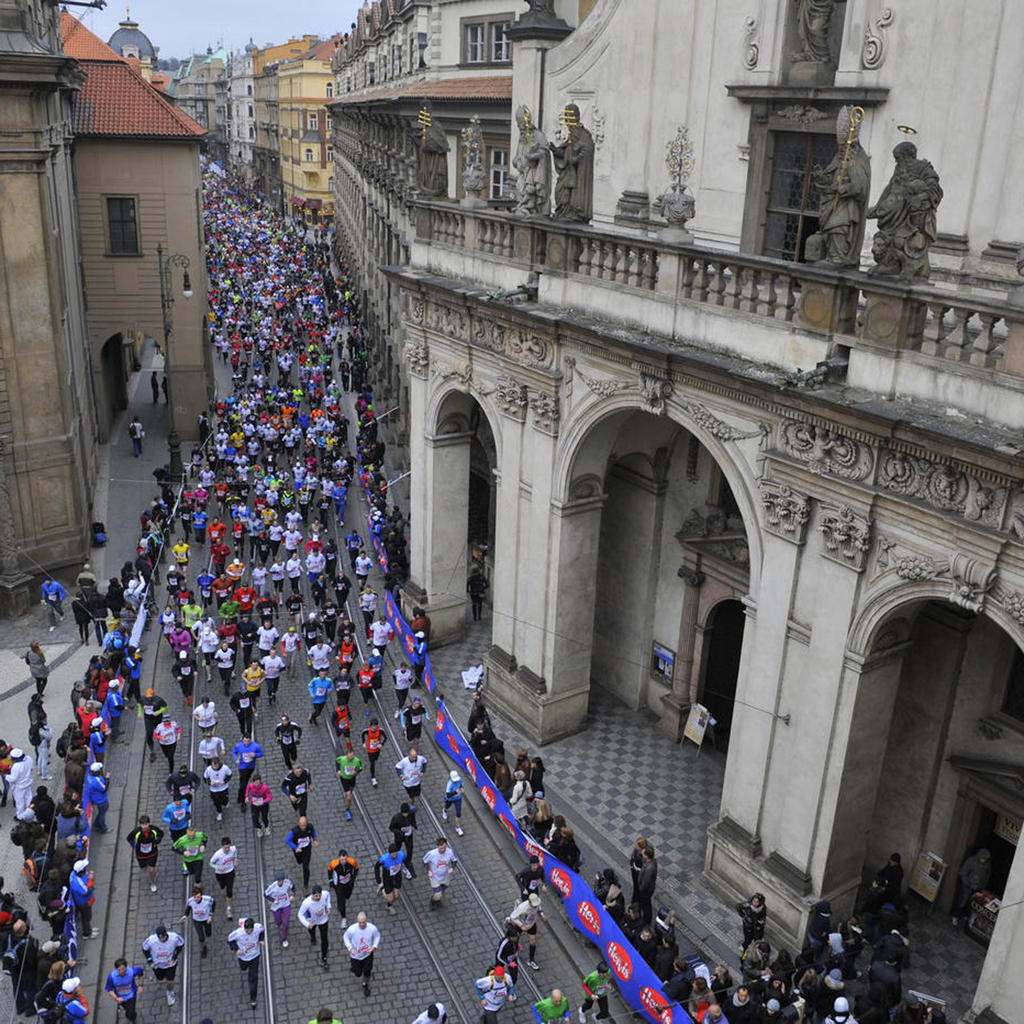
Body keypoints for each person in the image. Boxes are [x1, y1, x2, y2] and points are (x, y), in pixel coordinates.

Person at [142, 924, 185, 1006]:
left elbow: (181, 944)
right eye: (160, 938)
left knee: (170, 980)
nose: (162, 939)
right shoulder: (151, 940)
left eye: (163, 937)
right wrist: (150, 961)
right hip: (157, 965)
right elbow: (145, 949)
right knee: (160, 977)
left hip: (170, 965)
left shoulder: (174, 937)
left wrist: (174, 957)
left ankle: (170, 992)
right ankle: (163, 977)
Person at [227, 916, 266, 1009]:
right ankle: (244, 967)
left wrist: (261, 940)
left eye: (250, 930)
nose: (248, 931)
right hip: (243, 958)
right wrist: (236, 949)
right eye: (246, 930)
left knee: (253, 978)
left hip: (255, 956)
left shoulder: (258, 927)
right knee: (243, 968)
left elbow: (262, 931)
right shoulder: (238, 933)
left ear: (253, 927)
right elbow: (229, 940)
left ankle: (253, 999)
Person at [343, 911, 380, 996]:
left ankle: (365, 984)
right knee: (358, 973)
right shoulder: (352, 929)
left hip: (367, 955)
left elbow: (377, 936)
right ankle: (355, 970)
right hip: (356, 956)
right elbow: (345, 937)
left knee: (367, 970)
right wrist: (350, 948)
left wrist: (374, 947)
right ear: (357, 921)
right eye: (360, 922)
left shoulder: (372, 928)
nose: (362, 924)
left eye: (363, 922)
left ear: (366, 920)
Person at [952, 848, 991, 926]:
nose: (984, 860)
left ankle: (964, 916)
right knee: (962, 902)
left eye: (986, 859)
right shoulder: (971, 861)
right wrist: (967, 883)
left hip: (977, 889)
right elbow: (963, 872)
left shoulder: (987, 865)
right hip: (967, 886)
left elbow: (987, 876)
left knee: (971, 904)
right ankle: (956, 916)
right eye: (983, 858)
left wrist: (982, 886)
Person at [126, 815, 164, 893]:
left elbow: (161, 833)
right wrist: (134, 845)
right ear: (140, 825)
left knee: (151, 869)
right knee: (143, 867)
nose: (145, 826)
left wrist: (158, 840)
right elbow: (129, 838)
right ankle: (147, 868)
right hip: (141, 854)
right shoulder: (136, 831)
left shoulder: (154, 829)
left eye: (146, 824)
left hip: (152, 853)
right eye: (143, 824)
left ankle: (152, 882)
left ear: (149, 823)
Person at [509, 892, 547, 971]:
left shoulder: (537, 902)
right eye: (534, 905)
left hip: (531, 924)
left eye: (536, 905)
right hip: (521, 924)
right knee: (515, 939)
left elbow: (539, 909)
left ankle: (531, 960)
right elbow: (513, 916)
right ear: (529, 902)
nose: (535, 906)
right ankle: (512, 954)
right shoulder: (523, 907)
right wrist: (521, 926)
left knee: (533, 941)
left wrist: (542, 914)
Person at [298, 884, 332, 967]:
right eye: (316, 896)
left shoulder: (325, 894)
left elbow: (328, 895)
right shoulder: (306, 903)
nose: (318, 897)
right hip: (312, 921)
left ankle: (324, 957)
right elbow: (300, 914)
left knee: (324, 939)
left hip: (323, 920)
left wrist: (328, 907)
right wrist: (307, 924)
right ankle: (313, 937)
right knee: (312, 931)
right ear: (312, 895)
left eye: (319, 895)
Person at [180, 884, 215, 959]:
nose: (196, 899)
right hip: (197, 920)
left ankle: (207, 933)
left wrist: (210, 915)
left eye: (198, 897)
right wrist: (185, 915)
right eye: (195, 897)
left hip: (206, 919)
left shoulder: (208, 899)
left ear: (201, 895)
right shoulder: (190, 901)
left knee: (208, 933)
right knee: (201, 937)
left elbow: (213, 904)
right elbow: (188, 908)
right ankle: (203, 948)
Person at [328, 848, 360, 928]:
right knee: (342, 902)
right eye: (342, 859)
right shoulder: (334, 863)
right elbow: (329, 870)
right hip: (339, 885)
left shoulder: (352, 862)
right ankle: (343, 918)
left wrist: (353, 878)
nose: (344, 861)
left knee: (347, 896)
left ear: (347, 857)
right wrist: (330, 880)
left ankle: (342, 902)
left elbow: (357, 868)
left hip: (349, 884)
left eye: (345, 859)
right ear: (339, 858)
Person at [395, 746, 427, 822]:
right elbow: (397, 767)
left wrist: (423, 771)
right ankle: (412, 804)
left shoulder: (420, 758)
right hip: (408, 783)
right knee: (411, 795)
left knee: (417, 793)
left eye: (415, 757)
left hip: (417, 782)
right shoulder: (404, 761)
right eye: (413, 757)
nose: (414, 759)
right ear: (409, 755)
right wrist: (401, 776)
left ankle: (414, 799)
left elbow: (425, 762)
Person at [286, 815, 319, 889]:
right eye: (301, 825)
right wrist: (295, 848)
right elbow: (287, 840)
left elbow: (313, 833)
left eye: (304, 825)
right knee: (299, 861)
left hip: (307, 850)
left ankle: (306, 883)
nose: (303, 827)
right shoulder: (294, 831)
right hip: (298, 850)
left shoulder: (310, 827)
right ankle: (300, 860)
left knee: (306, 867)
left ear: (307, 823)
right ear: (298, 823)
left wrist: (315, 840)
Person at [423, 836, 458, 905]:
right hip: (435, 877)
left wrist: (453, 868)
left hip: (445, 877)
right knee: (438, 895)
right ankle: (433, 902)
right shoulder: (431, 854)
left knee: (442, 891)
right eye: (441, 848)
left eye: (444, 848)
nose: (443, 850)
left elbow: (455, 860)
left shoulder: (450, 852)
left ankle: (438, 899)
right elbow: (424, 862)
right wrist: (429, 871)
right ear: (438, 846)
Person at [265, 868, 295, 947]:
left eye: (282, 880)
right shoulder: (272, 887)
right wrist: (273, 900)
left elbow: (293, 887)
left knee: (285, 923)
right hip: (276, 907)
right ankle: (279, 923)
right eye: (279, 881)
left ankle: (284, 938)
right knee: (278, 922)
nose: (281, 882)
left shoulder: (287, 882)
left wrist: (292, 895)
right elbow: (265, 894)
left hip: (286, 905)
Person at [209, 836, 238, 919]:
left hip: (230, 872)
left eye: (228, 847)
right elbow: (210, 863)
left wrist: (235, 860)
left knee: (229, 891)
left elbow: (235, 853)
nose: (227, 849)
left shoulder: (233, 849)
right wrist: (218, 867)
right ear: (222, 846)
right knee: (222, 886)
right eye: (225, 848)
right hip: (220, 874)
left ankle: (228, 910)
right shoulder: (217, 854)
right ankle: (222, 885)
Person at [70, 859, 97, 938]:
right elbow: (86, 892)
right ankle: (87, 933)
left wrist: (88, 876)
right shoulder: (77, 883)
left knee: (86, 918)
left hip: (82, 901)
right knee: (86, 918)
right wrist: (91, 880)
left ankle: (89, 929)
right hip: (83, 902)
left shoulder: (73, 874)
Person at [335, 746, 363, 821]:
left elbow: (361, 767)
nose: (351, 758)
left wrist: (356, 772)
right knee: (349, 796)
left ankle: (348, 796)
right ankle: (348, 810)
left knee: (350, 791)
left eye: (352, 756)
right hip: (344, 779)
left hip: (352, 779)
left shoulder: (357, 761)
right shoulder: (342, 759)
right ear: (346, 755)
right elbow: (336, 762)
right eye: (350, 756)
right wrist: (338, 770)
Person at [204, 756, 232, 821]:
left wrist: (224, 781)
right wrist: (210, 783)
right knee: (216, 801)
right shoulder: (208, 769)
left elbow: (230, 775)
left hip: (223, 788)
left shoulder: (225, 768)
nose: (214, 767)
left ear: (219, 763)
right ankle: (219, 812)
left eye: (216, 765)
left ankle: (226, 802)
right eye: (213, 765)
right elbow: (205, 778)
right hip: (213, 790)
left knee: (224, 799)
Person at [636, 845, 658, 924]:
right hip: (648, 889)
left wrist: (640, 889)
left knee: (646, 905)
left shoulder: (649, 869)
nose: (641, 854)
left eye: (643, 854)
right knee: (646, 903)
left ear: (646, 856)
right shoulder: (651, 861)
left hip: (646, 891)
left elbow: (645, 883)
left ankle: (647, 920)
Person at [442, 770, 465, 836]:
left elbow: (460, 785)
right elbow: (448, 795)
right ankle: (444, 810)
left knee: (458, 813)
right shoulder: (449, 784)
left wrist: (462, 789)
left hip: (458, 798)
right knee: (447, 807)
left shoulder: (459, 779)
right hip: (450, 799)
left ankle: (458, 827)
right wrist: (455, 792)